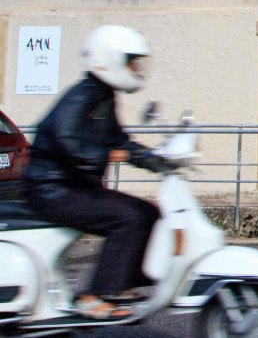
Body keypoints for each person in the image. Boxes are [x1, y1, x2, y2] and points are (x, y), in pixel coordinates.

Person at [23, 25, 173, 321]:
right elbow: (67, 141)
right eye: (131, 60)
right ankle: (95, 297)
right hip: (53, 190)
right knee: (126, 217)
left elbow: (118, 138)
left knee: (147, 212)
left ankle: (123, 283)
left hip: (71, 186)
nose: (135, 68)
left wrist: (154, 159)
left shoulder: (102, 95)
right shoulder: (82, 97)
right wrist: (109, 154)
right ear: (111, 59)